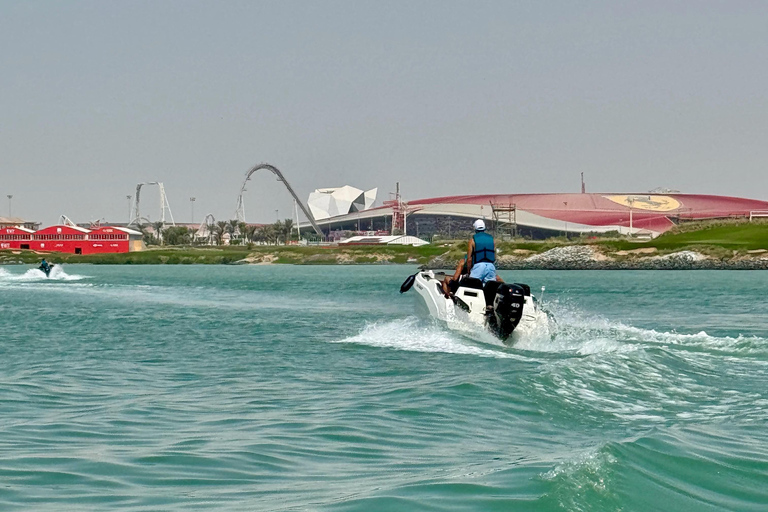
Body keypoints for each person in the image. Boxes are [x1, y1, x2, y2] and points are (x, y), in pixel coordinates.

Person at [466, 219, 497, 283]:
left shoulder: (472, 240)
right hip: (491, 267)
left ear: (475, 228)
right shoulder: (492, 239)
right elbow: (494, 256)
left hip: (478, 266)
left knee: (472, 286)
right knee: (489, 288)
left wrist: (468, 271)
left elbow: (469, 259)